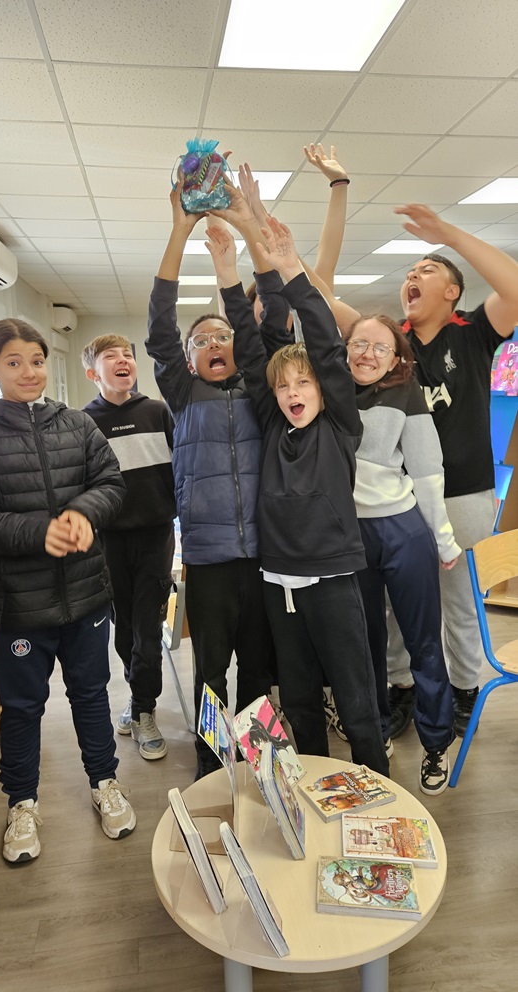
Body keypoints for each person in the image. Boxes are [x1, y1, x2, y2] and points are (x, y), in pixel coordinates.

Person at [309, 151, 518, 738]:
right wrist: (328, 199)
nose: (412, 277)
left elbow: (514, 285)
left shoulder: (473, 333)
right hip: (397, 500)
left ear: (452, 291)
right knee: (395, 604)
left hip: (463, 495)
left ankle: (463, 690)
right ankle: (401, 688)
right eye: (410, 271)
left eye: (427, 270)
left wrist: (446, 235)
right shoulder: (386, 343)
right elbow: (317, 295)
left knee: (457, 602)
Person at [205, 213, 389, 777]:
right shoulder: (271, 423)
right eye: (283, 386)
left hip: (332, 579)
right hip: (277, 582)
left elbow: (327, 346)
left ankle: (378, 795)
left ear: (324, 391)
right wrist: (227, 274)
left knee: (356, 702)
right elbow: (253, 349)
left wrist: (289, 269)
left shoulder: (340, 425)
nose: (292, 393)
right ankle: (315, 792)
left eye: (303, 383)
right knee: (301, 702)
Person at [0, 319, 136, 864]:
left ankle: (105, 783)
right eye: (14, 362)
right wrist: (40, 532)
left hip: (86, 595)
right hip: (18, 604)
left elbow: (111, 484)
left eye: (36, 360)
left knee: (91, 694)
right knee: (21, 707)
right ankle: (22, 804)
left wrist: (83, 512)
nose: (29, 372)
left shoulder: (77, 423)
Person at [145, 183, 283, 780]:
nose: (213, 344)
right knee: (210, 669)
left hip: (264, 553)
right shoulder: (183, 393)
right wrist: (181, 231)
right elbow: (158, 327)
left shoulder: (260, 389)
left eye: (221, 336)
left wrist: (230, 269)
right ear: (189, 358)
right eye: (200, 341)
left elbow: (257, 335)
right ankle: (209, 758)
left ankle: (255, 757)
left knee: (258, 666)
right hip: (207, 559)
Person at [344, 313, 460, 794]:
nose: (368, 354)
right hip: (349, 536)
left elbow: (428, 472)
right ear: (345, 348)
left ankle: (436, 743)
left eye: (380, 347)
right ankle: (376, 735)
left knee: (423, 642)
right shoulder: (326, 389)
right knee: (364, 644)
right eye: (359, 343)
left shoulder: (406, 393)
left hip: (402, 529)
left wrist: (444, 539)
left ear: (396, 358)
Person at [82, 334, 176, 760]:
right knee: (123, 629)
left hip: (156, 536)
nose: (123, 360)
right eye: (111, 356)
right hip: (109, 540)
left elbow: (179, 469)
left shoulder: (157, 411)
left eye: (127, 355)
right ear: (93, 372)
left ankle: (143, 710)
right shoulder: (84, 422)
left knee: (147, 628)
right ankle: (138, 696)